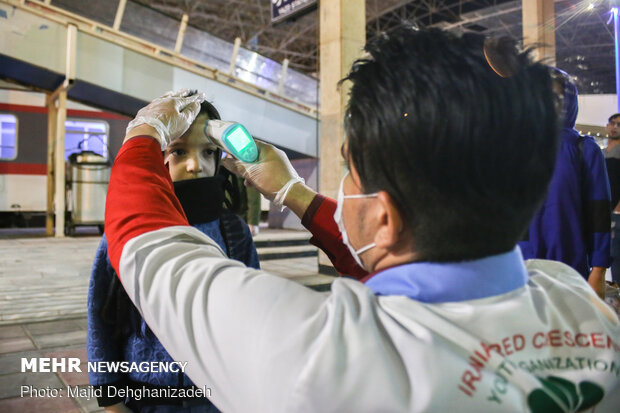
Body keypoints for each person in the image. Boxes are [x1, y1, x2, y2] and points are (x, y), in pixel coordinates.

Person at [104, 27, 620, 412]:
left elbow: (149, 248)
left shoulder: (318, 357)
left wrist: (146, 132)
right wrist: (296, 192)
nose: (342, 188)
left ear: (385, 217)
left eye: (349, 171)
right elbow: (405, 265)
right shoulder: (579, 306)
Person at [87, 95, 259, 413]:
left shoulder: (235, 233)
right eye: (179, 151)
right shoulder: (127, 230)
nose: (196, 165)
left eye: (208, 152)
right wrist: (109, 398)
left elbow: (252, 316)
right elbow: (100, 314)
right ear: (159, 157)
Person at [518, 69, 611, 298]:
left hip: (570, 267)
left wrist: (599, 270)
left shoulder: (584, 149)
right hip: (520, 267)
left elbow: (599, 212)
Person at [605, 113, 620, 283]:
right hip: (604, 210)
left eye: (619, 124)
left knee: (616, 257)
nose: (615, 127)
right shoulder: (603, 152)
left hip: (616, 213)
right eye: (612, 123)